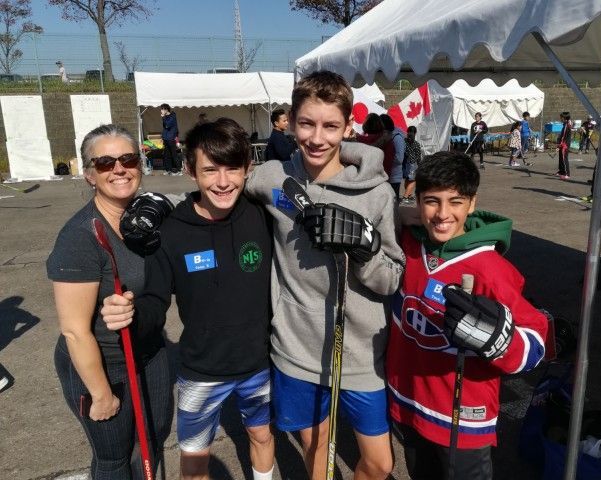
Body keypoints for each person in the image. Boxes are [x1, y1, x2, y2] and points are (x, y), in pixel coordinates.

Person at [245, 70, 405, 480]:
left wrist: (366, 249)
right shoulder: (272, 177)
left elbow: (391, 278)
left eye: (331, 126)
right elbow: (219, 192)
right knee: (318, 452)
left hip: (360, 353)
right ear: (290, 122)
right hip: (296, 348)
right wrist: (161, 204)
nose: (317, 138)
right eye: (307, 123)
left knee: (380, 463)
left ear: (348, 127)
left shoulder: (377, 192)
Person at [100, 119, 275, 480]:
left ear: (248, 169)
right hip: (200, 371)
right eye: (210, 170)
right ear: (189, 170)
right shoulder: (171, 232)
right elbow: (154, 301)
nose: (223, 182)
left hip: (258, 363)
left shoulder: (262, 215)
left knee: (261, 435)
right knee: (195, 462)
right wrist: (131, 316)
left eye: (233, 169)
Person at [386, 151, 548, 480]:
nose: (443, 214)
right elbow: (378, 210)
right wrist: (399, 213)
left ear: (472, 204)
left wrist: (500, 343)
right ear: (417, 202)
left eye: (455, 202)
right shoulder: (407, 243)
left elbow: (537, 340)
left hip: (462, 418)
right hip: (409, 402)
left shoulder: (491, 269)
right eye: (432, 201)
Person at [47, 124, 174, 479]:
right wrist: (101, 393)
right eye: (104, 162)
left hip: (150, 352)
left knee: (153, 439)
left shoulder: (149, 218)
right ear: (89, 174)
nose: (119, 168)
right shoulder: (80, 237)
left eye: (128, 158)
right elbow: (74, 330)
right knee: (114, 456)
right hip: (102, 362)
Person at [381, 113, 405, 199]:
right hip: (385, 176)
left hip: (394, 177)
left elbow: (399, 158)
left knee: (393, 204)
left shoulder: (397, 138)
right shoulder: (385, 137)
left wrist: (382, 157)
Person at [400, 125, 422, 204]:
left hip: (404, 163)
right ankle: (405, 197)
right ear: (415, 133)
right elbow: (418, 156)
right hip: (412, 164)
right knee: (413, 181)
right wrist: (420, 166)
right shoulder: (416, 144)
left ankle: (409, 195)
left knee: (407, 180)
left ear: (407, 132)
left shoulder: (403, 141)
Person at [161, 103, 181, 175]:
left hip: (171, 138)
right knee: (167, 155)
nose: (161, 111)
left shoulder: (172, 116)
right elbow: (165, 127)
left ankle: (179, 170)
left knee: (174, 155)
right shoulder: (165, 117)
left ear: (166, 109)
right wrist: (163, 137)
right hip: (166, 138)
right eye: (161, 109)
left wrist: (163, 117)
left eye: (163, 109)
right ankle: (168, 169)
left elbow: (167, 125)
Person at [556, 111, 572, 180]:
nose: (560, 119)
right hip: (562, 144)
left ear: (564, 118)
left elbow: (563, 137)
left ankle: (567, 174)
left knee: (564, 159)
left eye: (561, 117)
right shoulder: (565, 124)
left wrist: (559, 144)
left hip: (564, 145)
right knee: (561, 158)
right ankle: (561, 171)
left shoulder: (566, 125)